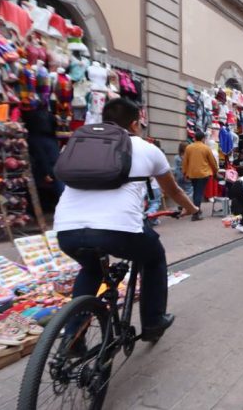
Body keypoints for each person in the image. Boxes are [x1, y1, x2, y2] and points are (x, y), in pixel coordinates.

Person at [54, 98, 198, 342]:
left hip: (66, 229)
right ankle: (153, 322)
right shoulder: (147, 149)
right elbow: (174, 192)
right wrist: (192, 208)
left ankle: (72, 337)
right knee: (153, 258)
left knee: (90, 268)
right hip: (119, 230)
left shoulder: (78, 144)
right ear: (134, 124)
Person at [182, 131, 218, 221]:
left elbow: (185, 161)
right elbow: (212, 162)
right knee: (198, 192)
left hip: (192, 174)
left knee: (196, 191)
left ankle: (196, 209)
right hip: (203, 173)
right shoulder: (206, 148)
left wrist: (185, 172)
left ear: (194, 138)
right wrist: (215, 171)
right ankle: (196, 213)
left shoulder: (189, 148)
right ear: (203, 139)